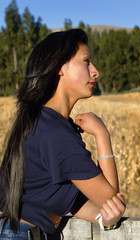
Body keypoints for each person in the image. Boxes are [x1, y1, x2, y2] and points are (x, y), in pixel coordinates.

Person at [0, 28, 125, 239]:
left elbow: (67, 196)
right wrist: (102, 134)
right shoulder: (55, 131)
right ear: (59, 67)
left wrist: (103, 218)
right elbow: (110, 198)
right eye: (86, 62)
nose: (95, 71)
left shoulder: (44, 121)